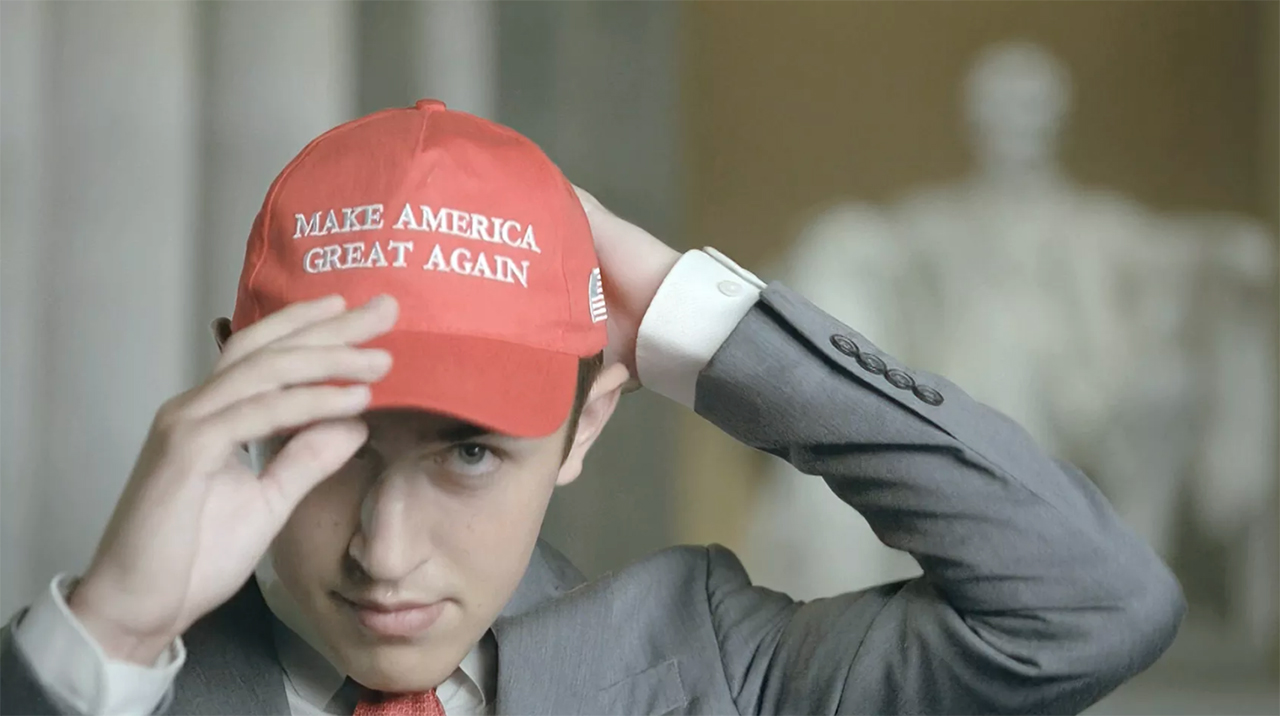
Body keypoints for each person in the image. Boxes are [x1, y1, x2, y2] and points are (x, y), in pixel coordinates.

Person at [1, 99, 1183, 716]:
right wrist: (103, 636)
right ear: (231, 395)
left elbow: (1086, 607)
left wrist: (698, 315)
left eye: (467, 451)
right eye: (331, 443)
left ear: (588, 423)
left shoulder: (704, 659)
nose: (384, 550)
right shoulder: (101, 682)